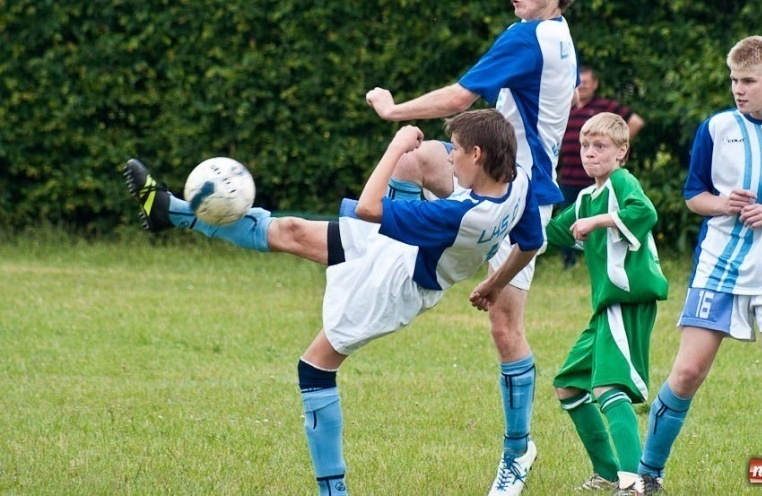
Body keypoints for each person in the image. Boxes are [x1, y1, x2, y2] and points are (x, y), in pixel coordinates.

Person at [123, 109, 545, 496]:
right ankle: (171, 212)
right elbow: (531, 242)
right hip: (406, 251)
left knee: (314, 368)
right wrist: (494, 283)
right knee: (292, 231)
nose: (450, 159)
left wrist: (397, 145)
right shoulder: (519, 181)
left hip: (396, 283)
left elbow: (367, 207)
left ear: (478, 153)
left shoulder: (460, 215)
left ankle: (333, 492)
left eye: (456, 152)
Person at [365, 0, 579, 495]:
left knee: (505, 325)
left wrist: (393, 111)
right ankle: (401, 256)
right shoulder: (558, 36)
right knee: (411, 165)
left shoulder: (529, 38)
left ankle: (517, 452)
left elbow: (461, 99)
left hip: (517, 198)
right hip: (497, 180)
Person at [637, 36, 762, 496]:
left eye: (748, 80)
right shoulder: (715, 129)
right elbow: (694, 197)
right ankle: (647, 475)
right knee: (687, 372)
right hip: (718, 269)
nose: (738, 89)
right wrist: (723, 203)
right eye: (733, 80)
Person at [535, 112, 668, 495]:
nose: (590, 154)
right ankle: (609, 472)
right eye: (585, 146)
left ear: (621, 151)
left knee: (610, 388)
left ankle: (635, 482)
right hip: (604, 310)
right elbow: (554, 231)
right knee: (569, 385)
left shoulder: (621, 182)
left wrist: (598, 223)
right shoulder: (585, 197)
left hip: (626, 303)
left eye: (600, 146)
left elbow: (645, 212)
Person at [557, 65, 646, 269]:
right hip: (570, 174)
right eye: (578, 84)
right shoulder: (566, 108)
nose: (582, 87)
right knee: (568, 218)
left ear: (595, 84)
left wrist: (614, 147)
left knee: (599, 217)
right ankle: (568, 261)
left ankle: (600, 257)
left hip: (596, 177)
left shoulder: (604, 107)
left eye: (586, 83)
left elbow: (636, 122)